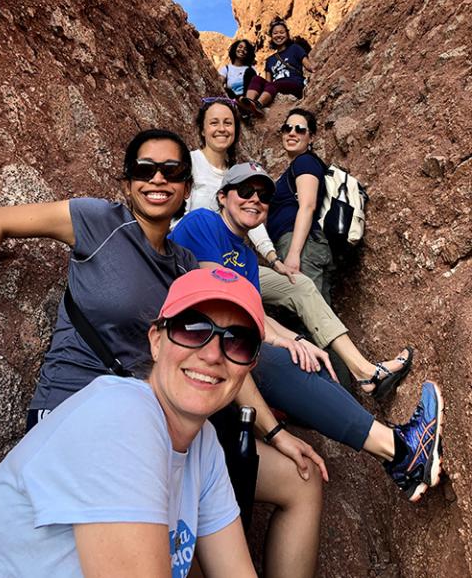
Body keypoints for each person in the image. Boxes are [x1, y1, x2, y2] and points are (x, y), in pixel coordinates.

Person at [0, 129, 326, 578]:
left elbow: (223, 339)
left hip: (162, 418)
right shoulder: (97, 221)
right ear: (127, 181)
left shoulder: (185, 265)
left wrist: (275, 430)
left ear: (188, 188)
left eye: (173, 171)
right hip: (76, 409)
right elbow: (0, 219)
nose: (158, 179)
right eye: (144, 170)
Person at [170, 162, 444, 503]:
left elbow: (249, 310)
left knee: (308, 360)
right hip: (186, 340)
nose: (255, 199)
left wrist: (297, 340)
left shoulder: (246, 256)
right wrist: (279, 340)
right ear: (223, 197)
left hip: (213, 341)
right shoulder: (204, 223)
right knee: (266, 358)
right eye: (245, 191)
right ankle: (401, 450)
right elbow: (226, 303)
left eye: (264, 194)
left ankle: (396, 455)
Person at [0, 268, 265, 577]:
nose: (213, 354)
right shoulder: (121, 414)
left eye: (237, 342)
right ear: (156, 341)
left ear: (249, 366)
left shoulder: (204, 444)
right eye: (192, 329)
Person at [187, 98, 413, 400]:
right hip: (196, 263)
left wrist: (273, 259)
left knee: (301, 285)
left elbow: (255, 224)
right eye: (214, 122)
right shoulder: (190, 163)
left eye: (228, 122)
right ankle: (317, 393)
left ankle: (362, 371)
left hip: (237, 264)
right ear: (201, 128)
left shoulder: (239, 173)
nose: (221, 128)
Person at [237, 19, 313, 118]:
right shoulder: (270, 60)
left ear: (287, 34)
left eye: (282, 32)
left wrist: (315, 69)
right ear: (271, 37)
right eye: (275, 33)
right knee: (256, 79)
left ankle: (258, 105)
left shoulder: (295, 48)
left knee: (274, 84)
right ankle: (248, 103)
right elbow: (268, 82)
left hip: (295, 83)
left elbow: (307, 64)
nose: (279, 35)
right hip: (277, 85)